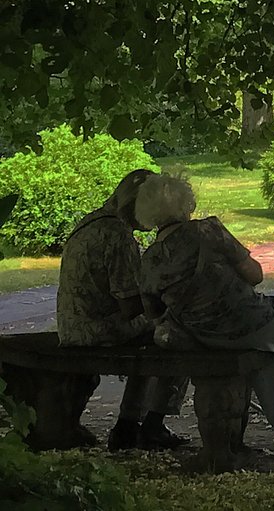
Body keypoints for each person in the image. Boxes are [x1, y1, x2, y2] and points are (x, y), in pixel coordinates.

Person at [134, 173, 274, 451]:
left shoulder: (150, 259)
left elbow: (153, 312)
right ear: (185, 203)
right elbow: (255, 275)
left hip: (200, 337)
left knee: (269, 348)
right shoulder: (208, 230)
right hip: (249, 322)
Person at [56, 168, 189, 450]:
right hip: (98, 329)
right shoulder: (118, 235)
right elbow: (130, 307)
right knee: (177, 332)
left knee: (156, 329)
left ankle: (130, 424)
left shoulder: (92, 221)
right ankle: (148, 425)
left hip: (72, 325)